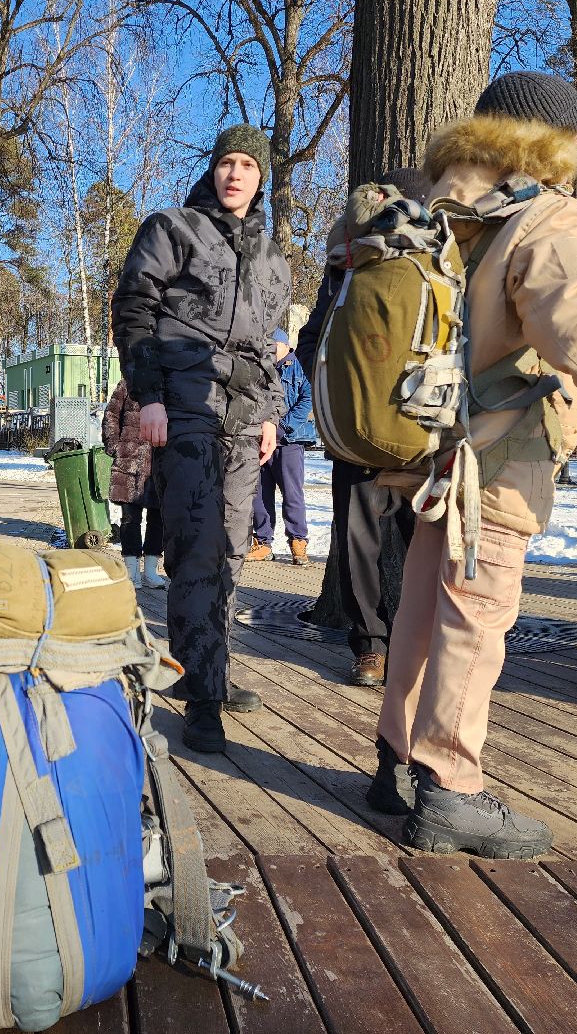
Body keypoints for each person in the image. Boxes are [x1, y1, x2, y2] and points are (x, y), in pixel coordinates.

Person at [368, 71, 577, 859]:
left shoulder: (429, 202)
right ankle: (450, 790)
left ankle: (395, 763)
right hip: (500, 450)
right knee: (476, 616)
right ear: (560, 141)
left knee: (422, 605)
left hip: (430, 441)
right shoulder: (542, 214)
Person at [112, 122, 287, 754]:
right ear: (213, 170)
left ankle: (211, 668)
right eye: (226, 163)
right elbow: (134, 311)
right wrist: (150, 395)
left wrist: (271, 412)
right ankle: (201, 694)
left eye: (247, 165)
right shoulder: (173, 229)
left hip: (246, 416)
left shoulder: (272, 255)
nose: (235, 173)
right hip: (185, 405)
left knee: (234, 546)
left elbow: (271, 342)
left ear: (260, 177)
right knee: (197, 548)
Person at [295, 169, 426, 687]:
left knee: (423, 546)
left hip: (423, 432)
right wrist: (344, 394)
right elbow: (314, 342)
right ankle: (371, 645)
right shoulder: (349, 271)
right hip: (360, 435)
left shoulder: (438, 269)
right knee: (360, 546)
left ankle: (403, 642)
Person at [249, 328, 312, 566]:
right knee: (260, 493)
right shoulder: (260, 367)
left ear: (284, 345)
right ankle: (263, 542)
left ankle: (298, 542)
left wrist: (281, 428)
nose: (270, 351)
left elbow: (307, 400)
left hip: (290, 441)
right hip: (259, 441)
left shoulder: (301, 366)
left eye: (273, 346)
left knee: (292, 494)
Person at [101, 378, 166, 589]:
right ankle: (131, 571)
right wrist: (115, 446)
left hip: (161, 463)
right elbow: (111, 414)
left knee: (159, 519)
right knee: (130, 518)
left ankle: (150, 571)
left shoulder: (171, 383)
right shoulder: (128, 383)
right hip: (130, 463)